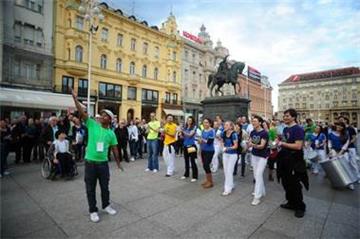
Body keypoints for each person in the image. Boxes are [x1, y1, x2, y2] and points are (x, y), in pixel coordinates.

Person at [71, 90, 122, 223]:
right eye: (102, 114)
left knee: (105, 187)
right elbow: (82, 113)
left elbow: (115, 148)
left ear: (110, 120)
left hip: (103, 164)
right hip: (90, 163)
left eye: (105, 115)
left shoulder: (111, 133)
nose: (102, 116)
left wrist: (118, 162)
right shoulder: (92, 124)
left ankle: (106, 205)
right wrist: (75, 99)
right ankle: (93, 210)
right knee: (90, 188)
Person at [276, 109, 308, 218]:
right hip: (285, 159)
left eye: (287, 116)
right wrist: (279, 143)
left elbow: (298, 146)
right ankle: (291, 203)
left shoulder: (298, 129)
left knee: (295, 185)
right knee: (286, 183)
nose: (285, 118)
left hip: (294, 161)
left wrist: (282, 143)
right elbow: (285, 141)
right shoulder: (285, 129)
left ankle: (300, 207)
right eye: (284, 116)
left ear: (294, 117)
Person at [328, 122, 356, 190]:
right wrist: (330, 150)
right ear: (336, 125)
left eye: (341, 126)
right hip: (334, 151)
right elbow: (329, 143)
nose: (339, 127)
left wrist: (340, 153)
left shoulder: (346, 134)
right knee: (335, 168)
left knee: (346, 167)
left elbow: (346, 145)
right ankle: (337, 182)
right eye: (338, 125)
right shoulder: (331, 134)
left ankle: (350, 183)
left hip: (343, 152)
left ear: (343, 127)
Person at [249, 115, 269, 205]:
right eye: (253, 121)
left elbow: (262, 146)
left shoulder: (264, 133)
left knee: (258, 174)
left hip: (262, 156)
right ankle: (261, 191)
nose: (253, 123)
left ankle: (257, 197)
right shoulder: (252, 132)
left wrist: (252, 145)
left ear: (260, 123)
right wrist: (250, 144)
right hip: (254, 155)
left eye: (255, 121)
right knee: (256, 175)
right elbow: (249, 142)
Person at [338, 116, 360, 182]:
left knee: (353, 163)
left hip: (350, 147)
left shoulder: (350, 128)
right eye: (339, 120)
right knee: (346, 164)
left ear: (346, 120)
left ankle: (357, 177)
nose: (341, 121)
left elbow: (354, 137)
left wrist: (348, 143)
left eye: (342, 120)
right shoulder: (341, 129)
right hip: (343, 149)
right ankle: (350, 178)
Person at [221, 121, 238, 196]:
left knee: (229, 171)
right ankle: (231, 184)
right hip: (225, 154)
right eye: (224, 125)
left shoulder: (234, 134)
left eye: (227, 125)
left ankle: (227, 189)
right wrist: (222, 147)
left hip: (232, 155)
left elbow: (235, 146)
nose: (225, 126)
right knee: (225, 171)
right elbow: (221, 142)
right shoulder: (223, 133)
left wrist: (227, 148)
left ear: (231, 127)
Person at [181, 116, 198, 182]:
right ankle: (186, 174)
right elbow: (183, 137)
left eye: (190, 120)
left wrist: (182, 130)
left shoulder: (194, 127)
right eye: (188, 120)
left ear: (192, 121)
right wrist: (181, 135)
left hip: (191, 146)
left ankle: (195, 176)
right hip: (185, 145)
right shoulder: (185, 127)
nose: (189, 121)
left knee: (192, 161)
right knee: (186, 161)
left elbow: (190, 135)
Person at [199, 118, 215, 188]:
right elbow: (202, 141)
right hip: (203, 150)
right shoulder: (203, 130)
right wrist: (200, 148)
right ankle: (207, 180)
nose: (205, 124)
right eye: (204, 122)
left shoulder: (212, 131)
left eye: (207, 122)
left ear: (210, 123)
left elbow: (209, 142)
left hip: (210, 150)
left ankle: (210, 182)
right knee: (204, 166)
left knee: (206, 165)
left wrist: (202, 140)